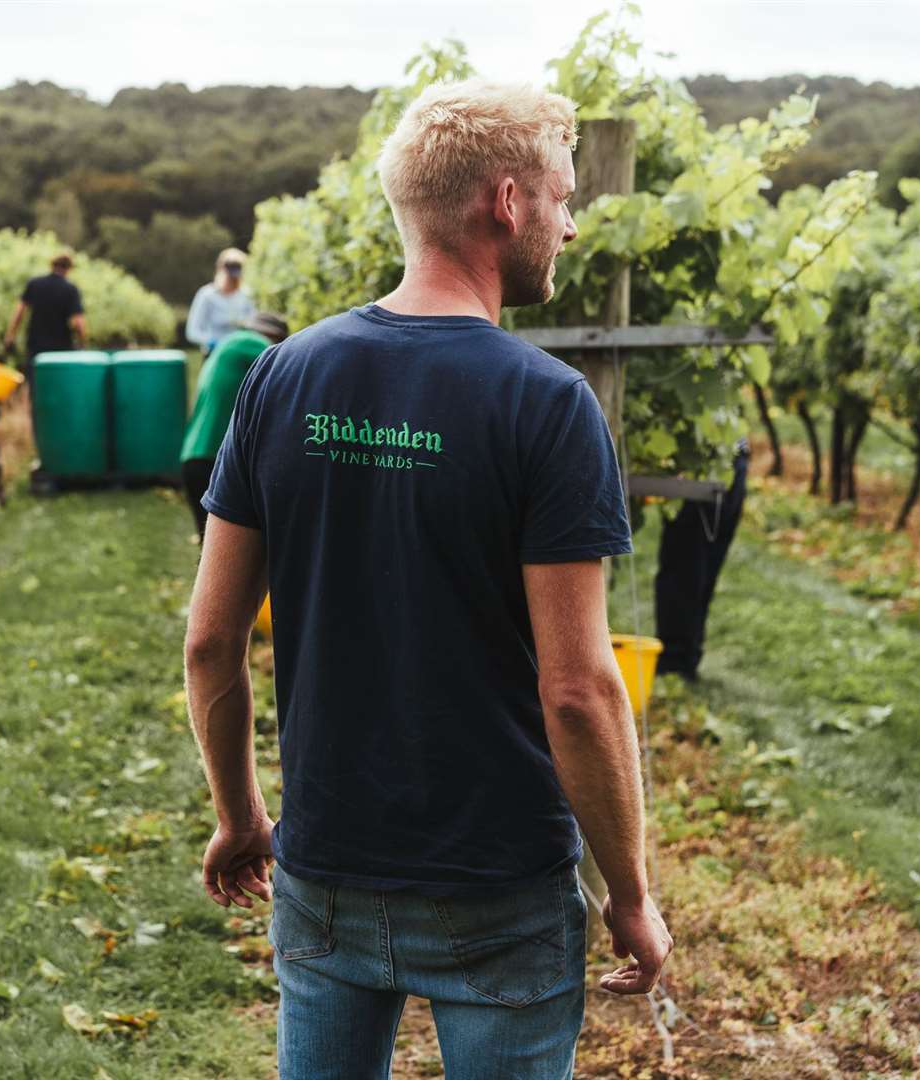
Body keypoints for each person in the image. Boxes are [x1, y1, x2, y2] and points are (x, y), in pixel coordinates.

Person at [183, 81, 673, 1078]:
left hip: (323, 872)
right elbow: (578, 689)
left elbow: (209, 642)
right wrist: (628, 890)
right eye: (562, 198)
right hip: (497, 887)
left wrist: (241, 816)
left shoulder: (281, 377)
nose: (570, 226)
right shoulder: (549, 406)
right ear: (506, 202)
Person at [179, 311, 289, 538]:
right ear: (271, 335)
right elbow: (292, 362)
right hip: (212, 461)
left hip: (197, 457)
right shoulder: (248, 342)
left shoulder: (228, 348)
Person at [654, 438, 749, 680]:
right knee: (686, 566)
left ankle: (684, 659)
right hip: (701, 456)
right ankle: (677, 660)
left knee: (701, 567)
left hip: (724, 457)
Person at [2, 252, 87, 372]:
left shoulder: (34, 284)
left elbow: (19, 313)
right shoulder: (71, 289)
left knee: (36, 380)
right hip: (61, 345)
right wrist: (83, 343)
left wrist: (10, 335)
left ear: (52, 265)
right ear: (68, 269)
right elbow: (78, 322)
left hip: (35, 342)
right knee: (58, 381)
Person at [185, 248, 256, 354]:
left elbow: (254, 324)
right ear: (220, 268)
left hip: (240, 353)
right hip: (214, 353)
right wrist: (211, 341)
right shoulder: (207, 295)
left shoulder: (246, 295)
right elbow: (192, 331)